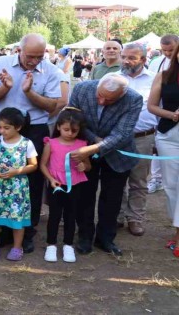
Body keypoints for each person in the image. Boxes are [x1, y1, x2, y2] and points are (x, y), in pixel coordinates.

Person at [0, 33, 61, 253]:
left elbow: (51, 106)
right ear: (19, 50)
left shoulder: (51, 71)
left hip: (34, 130)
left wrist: (29, 92)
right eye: (30, 56)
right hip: (5, 129)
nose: (34, 61)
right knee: (1, 178)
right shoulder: (0, 63)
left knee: (32, 182)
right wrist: (6, 87)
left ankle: (27, 231)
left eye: (39, 56)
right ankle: (3, 231)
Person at [68, 74, 143, 256]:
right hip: (85, 151)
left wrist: (96, 147)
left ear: (121, 95)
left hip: (117, 155)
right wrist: (94, 142)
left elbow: (122, 134)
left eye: (109, 99)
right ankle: (85, 237)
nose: (101, 101)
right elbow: (73, 120)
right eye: (99, 96)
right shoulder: (81, 88)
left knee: (112, 199)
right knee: (85, 196)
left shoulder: (133, 99)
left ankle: (106, 239)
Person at [111, 43, 157, 237]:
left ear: (144, 60)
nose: (126, 61)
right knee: (117, 179)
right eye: (124, 57)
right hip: (117, 139)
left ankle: (135, 219)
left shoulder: (155, 80)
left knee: (138, 182)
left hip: (143, 138)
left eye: (132, 58)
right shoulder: (114, 79)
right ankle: (117, 217)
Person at [0, 108, 39, 262]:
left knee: (17, 219)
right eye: (0, 127)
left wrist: (16, 171)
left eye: (6, 128)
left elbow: (33, 165)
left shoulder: (26, 143)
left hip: (17, 189)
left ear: (18, 127)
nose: (2, 131)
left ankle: (17, 247)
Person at [39, 109, 90, 264]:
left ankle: (68, 245)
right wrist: (50, 179)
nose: (70, 133)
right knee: (54, 215)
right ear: (59, 126)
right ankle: (51, 245)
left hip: (75, 184)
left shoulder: (82, 145)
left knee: (71, 214)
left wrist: (84, 166)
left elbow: (88, 166)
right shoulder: (51, 143)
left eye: (74, 131)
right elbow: (43, 165)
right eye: (66, 129)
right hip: (56, 184)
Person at [147, 45, 179, 257]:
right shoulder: (164, 75)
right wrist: (171, 115)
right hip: (169, 136)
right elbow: (152, 106)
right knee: (171, 186)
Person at [148, 35, 179, 194]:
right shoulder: (157, 65)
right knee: (172, 184)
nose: (168, 53)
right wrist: (171, 115)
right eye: (164, 50)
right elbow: (152, 102)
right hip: (166, 123)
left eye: (171, 50)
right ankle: (156, 178)